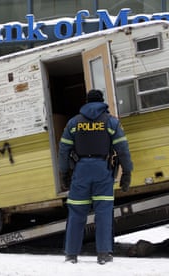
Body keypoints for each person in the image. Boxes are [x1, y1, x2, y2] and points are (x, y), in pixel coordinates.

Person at [58, 89, 133, 265]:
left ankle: (71, 254)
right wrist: (127, 172)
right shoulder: (111, 122)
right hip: (103, 171)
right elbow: (123, 149)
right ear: (102, 102)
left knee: (76, 213)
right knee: (103, 213)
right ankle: (103, 254)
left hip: (81, 172)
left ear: (86, 102)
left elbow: (63, 150)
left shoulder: (74, 123)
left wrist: (64, 173)